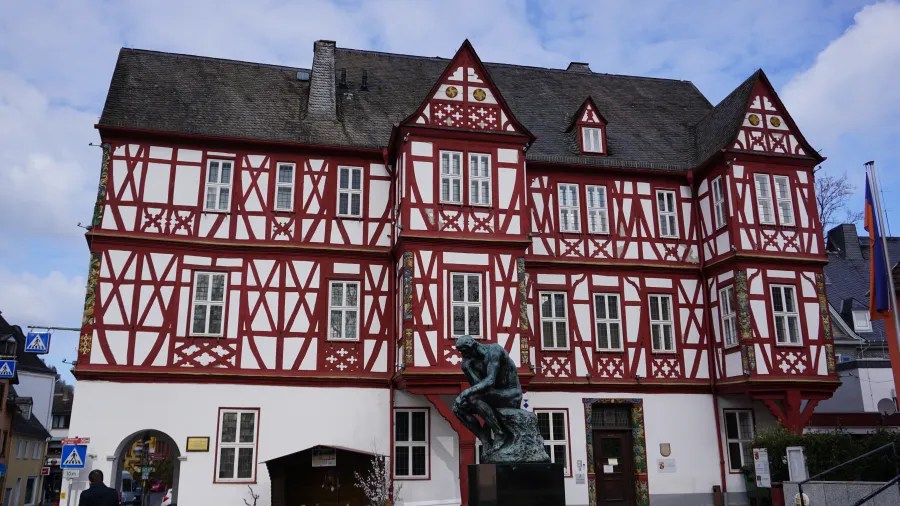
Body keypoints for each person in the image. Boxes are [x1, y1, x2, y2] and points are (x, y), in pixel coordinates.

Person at [451, 335, 523, 452]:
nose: (462, 355)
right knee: (457, 408)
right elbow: (478, 385)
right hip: (493, 394)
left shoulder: (494, 350)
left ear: (472, 347)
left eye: (463, 352)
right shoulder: (471, 362)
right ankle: (485, 440)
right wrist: (468, 369)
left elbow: (490, 381)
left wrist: (465, 393)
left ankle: (499, 433)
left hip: (511, 394)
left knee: (473, 398)